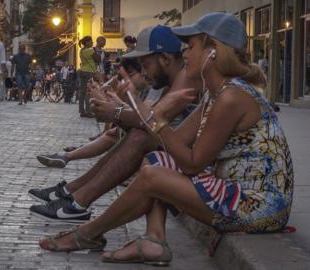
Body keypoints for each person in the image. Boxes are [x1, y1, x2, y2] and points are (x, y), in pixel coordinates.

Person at [38, 13, 294, 268]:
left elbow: (192, 163)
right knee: (156, 160)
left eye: (191, 46)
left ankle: (87, 234)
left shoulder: (233, 97)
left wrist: (152, 118)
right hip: (235, 193)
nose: (184, 53)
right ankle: (153, 240)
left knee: (155, 175)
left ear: (213, 51)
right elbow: (174, 143)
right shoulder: (216, 94)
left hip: (259, 207)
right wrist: (141, 111)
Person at [29, 25, 195, 223]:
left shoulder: (186, 79)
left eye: (146, 65)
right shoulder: (168, 80)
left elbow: (151, 120)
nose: (143, 73)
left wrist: (115, 110)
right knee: (132, 135)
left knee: (138, 137)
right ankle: (74, 197)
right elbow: (147, 117)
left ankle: (78, 203)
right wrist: (117, 106)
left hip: (184, 157)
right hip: (172, 150)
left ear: (166, 59)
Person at [78, 36, 98, 117]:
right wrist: (95, 51)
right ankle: (89, 112)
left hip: (82, 71)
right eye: (91, 42)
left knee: (82, 92)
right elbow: (98, 59)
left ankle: (82, 111)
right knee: (88, 92)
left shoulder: (81, 50)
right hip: (89, 72)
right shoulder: (90, 50)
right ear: (86, 43)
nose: (92, 43)